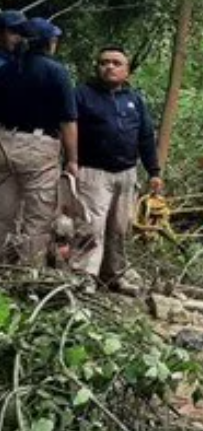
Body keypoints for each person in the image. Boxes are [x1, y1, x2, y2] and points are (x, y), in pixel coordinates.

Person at [72, 46, 161, 291]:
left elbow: (145, 137)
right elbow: (68, 129)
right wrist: (69, 162)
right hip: (92, 172)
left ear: (127, 70)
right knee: (91, 226)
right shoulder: (82, 94)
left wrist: (154, 171)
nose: (109, 66)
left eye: (115, 62)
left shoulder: (134, 100)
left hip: (126, 173)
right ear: (97, 67)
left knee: (120, 227)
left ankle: (113, 276)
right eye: (103, 62)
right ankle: (84, 276)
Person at [0, 17, 79, 266]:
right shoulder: (56, 72)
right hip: (38, 146)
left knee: (3, 213)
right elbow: (68, 121)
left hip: (4, 141)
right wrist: (72, 159)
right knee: (38, 216)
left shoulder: (7, 69)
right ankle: (27, 273)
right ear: (49, 42)